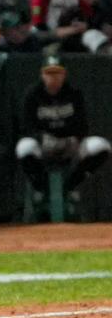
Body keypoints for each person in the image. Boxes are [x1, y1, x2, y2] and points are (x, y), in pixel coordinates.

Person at [14, 54, 111, 214]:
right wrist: (42, 138)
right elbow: (26, 126)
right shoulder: (33, 94)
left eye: (57, 73)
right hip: (44, 144)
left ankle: (70, 186)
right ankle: (42, 188)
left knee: (102, 146)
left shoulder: (74, 93)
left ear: (64, 74)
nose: (54, 77)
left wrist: (75, 139)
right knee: (24, 147)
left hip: (69, 143)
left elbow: (83, 124)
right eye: (49, 73)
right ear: (42, 74)